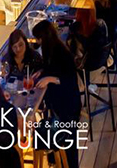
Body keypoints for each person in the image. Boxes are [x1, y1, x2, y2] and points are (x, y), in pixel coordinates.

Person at [32, 20, 82, 168]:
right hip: (60, 104)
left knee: (70, 143)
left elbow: (69, 80)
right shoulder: (53, 50)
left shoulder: (61, 53)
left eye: (38, 38)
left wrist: (50, 78)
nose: (36, 42)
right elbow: (53, 68)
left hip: (68, 106)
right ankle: (56, 162)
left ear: (43, 38)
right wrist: (42, 72)